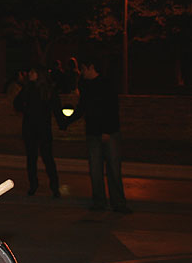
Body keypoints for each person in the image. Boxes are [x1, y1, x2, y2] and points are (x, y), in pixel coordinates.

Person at [63, 56, 131, 213]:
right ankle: (99, 201)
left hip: (109, 133)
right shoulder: (85, 85)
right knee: (95, 169)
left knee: (113, 168)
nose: (81, 72)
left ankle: (118, 203)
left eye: (83, 68)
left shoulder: (106, 83)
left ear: (91, 67)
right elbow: (83, 107)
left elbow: (112, 108)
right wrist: (67, 122)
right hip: (93, 133)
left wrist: (107, 130)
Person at [13, 67, 66, 197]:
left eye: (32, 72)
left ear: (39, 74)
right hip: (35, 128)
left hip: (38, 128)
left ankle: (48, 186)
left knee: (43, 158)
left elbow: (56, 108)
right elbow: (17, 103)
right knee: (37, 158)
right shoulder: (30, 88)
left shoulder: (44, 90)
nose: (29, 74)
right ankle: (40, 186)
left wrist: (62, 123)